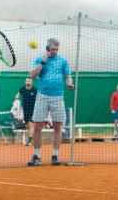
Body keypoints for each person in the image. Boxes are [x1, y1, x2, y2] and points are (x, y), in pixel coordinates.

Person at [27, 38, 74, 166]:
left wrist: (70, 84)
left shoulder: (63, 61)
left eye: (56, 49)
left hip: (58, 97)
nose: (54, 52)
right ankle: (36, 156)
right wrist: (43, 61)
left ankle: (55, 156)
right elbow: (32, 75)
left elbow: (68, 76)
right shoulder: (39, 59)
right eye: (52, 49)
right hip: (42, 96)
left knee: (58, 126)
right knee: (37, 125)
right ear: (47, 48)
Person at [16, 77, 38, 146]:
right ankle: (32, 137)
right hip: (25, 110)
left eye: (29, 81)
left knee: (30, 123)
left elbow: (39, 98)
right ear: (25, 82)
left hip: (33, 109)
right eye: (27, 81)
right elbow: (18, 95)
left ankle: (29, 140)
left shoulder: (34, 90)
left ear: (32, 82)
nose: (28, 82)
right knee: (27, 125)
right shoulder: (22, 89)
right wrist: (16, 100)